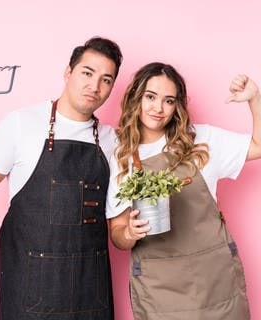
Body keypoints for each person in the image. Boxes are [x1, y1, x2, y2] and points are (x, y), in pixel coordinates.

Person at [0, 36, 123, 320]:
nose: (95, 86)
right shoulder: (22, 123)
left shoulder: (113, 141)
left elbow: (118, 223)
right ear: (68, 72)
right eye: (87, 73)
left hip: (90, 294)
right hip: (28, 292)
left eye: (106, 80)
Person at [106, 62, 261, 319]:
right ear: (137, 98)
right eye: (150, 97)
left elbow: (259, 145)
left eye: (168, 100)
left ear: (177, 106)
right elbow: (117, 235)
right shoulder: (121, 157)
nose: (158, 108)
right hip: (159, 290)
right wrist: (130, 232)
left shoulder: (201, 140)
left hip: (214, 280)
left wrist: (255, 98)